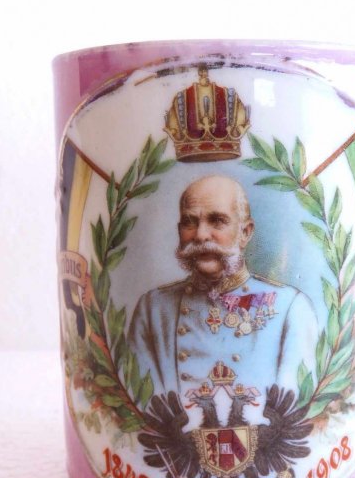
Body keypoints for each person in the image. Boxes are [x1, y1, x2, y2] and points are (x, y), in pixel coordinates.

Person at [128, 174, 317, 406]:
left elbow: (296, 408)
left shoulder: (291, 308)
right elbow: (142, 405)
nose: (200, 235)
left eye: (217, 221)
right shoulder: (152, 309)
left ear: (245, 232)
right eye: (189, 222)